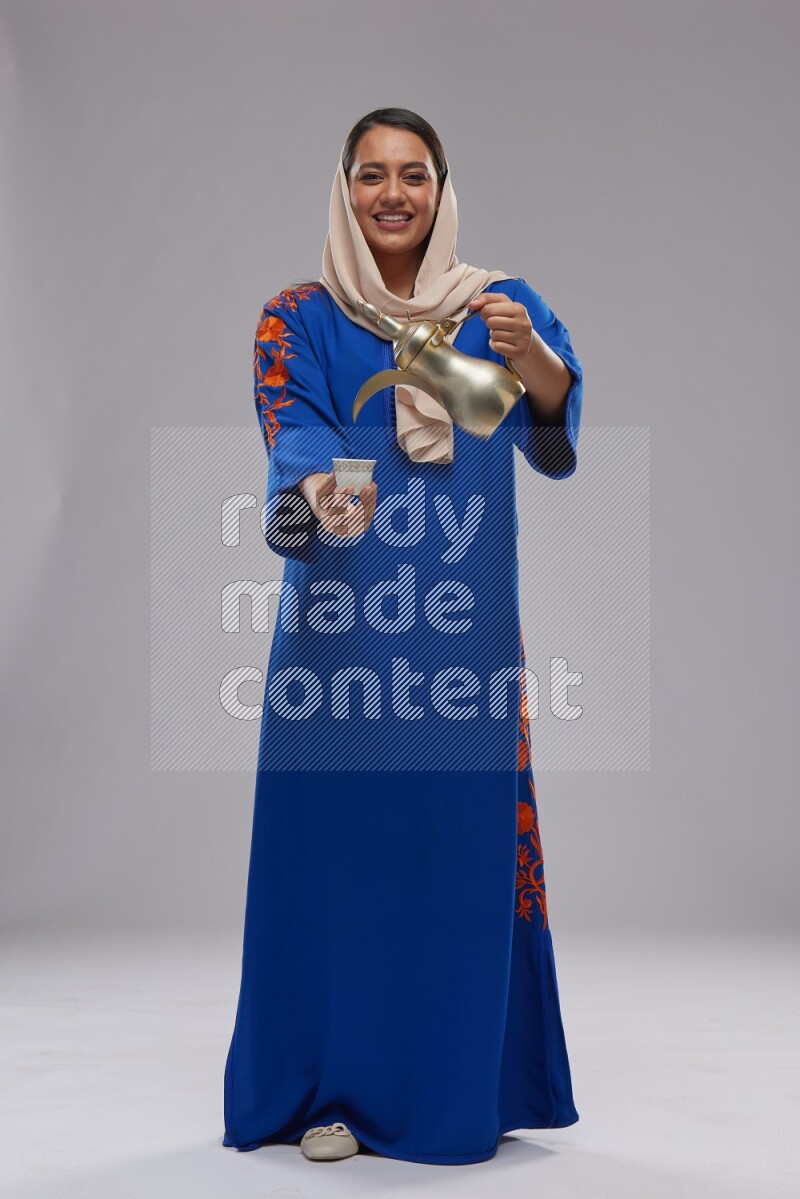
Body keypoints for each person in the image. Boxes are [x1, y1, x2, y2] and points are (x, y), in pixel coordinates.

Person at [223, 107, 584, 1166]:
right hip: (342, 630)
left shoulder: (498, 310)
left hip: (462, 630)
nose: (393, 194)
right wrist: (316, 498)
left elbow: (550, 444)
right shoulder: (295, 315)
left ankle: (462, 1080)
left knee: (453, 850)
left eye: (413, 175)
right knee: (344, 855)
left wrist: (538, 363)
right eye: (371, 175)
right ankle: (336, 1088)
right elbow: (289, 434)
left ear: (440, 187)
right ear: (343, 189)